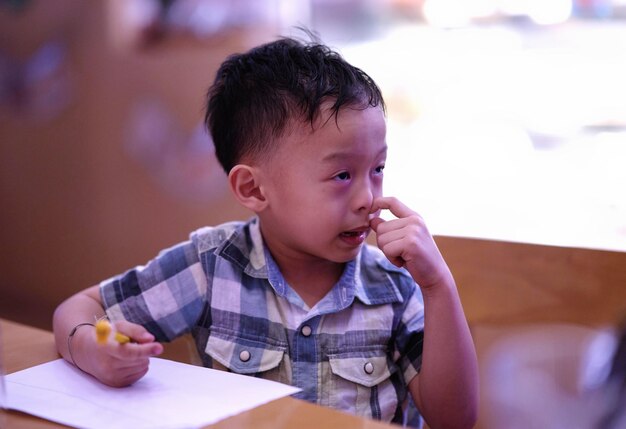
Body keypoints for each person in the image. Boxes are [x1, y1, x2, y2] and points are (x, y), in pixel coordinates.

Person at [53, 34, 478, 428]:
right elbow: (80, 307)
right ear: (254, 188)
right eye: (344, 174)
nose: (368, 197)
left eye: (378, 169)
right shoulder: (211, 267)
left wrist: (439, 285)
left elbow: (454, 419)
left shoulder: (393, 286)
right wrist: (89, 346)